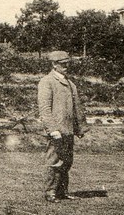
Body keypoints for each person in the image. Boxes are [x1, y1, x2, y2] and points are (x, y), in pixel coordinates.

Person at [37, 50, 87, 202]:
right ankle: (50, 192)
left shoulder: (70, 84)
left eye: (68, 64)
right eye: (63, 64)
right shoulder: (47, 82)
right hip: (56, 131)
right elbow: (45, 109)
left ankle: (62, 191)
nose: (66, 67)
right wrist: (52, 130)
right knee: (53, 161)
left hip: (68, 130)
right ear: (54, 65)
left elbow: (77, 108)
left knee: (67, 161)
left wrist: (80, 128)